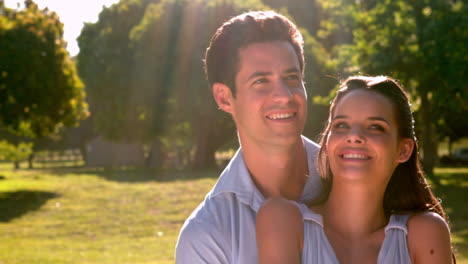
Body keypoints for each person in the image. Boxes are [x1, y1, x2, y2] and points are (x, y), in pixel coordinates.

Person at [256, 76, 456, 264]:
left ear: (403, 150)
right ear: (327, 143)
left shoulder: (425, 233)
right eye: (342, 125)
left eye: (375, 127)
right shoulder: (283, 221)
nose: (354, 136)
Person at [175, 11, 322, 263]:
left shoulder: (358, 177)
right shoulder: (206, 236)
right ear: (224, 97)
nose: (285, 95)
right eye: (261, 81)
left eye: (292, 77)